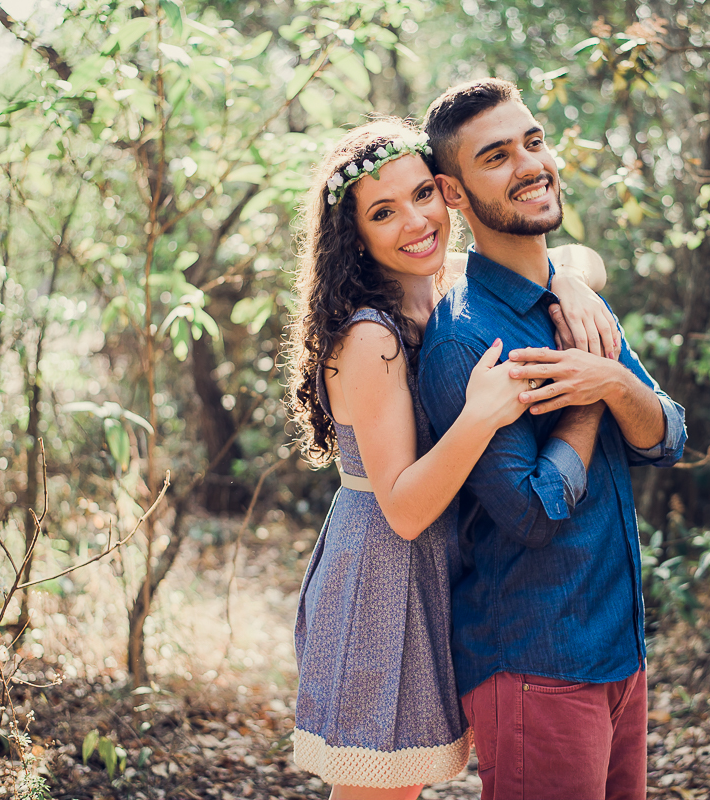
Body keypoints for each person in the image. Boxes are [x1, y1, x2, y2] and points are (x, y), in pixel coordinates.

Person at [285, 117, 618, 800]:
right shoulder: (370, 336)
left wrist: (572, 286)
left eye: (422, 196)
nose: (415, 221)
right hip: (382, 573)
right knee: (380, 791)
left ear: (447, 194)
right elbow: (404, 509)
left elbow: (583, 257)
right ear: (358, 237)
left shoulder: (445, 284)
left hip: (436, 570)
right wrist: (480, 415)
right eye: (384, 212)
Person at [417, 79, 688, 800]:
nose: (530, 164)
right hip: (536, 665)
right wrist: (594, 393)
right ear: (452, 192)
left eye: (533, 142)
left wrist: (610, 381)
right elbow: (534, 512)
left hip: (618, 652)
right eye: (497, 156)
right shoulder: (462, 339)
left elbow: (667, 435)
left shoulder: (576, 301)